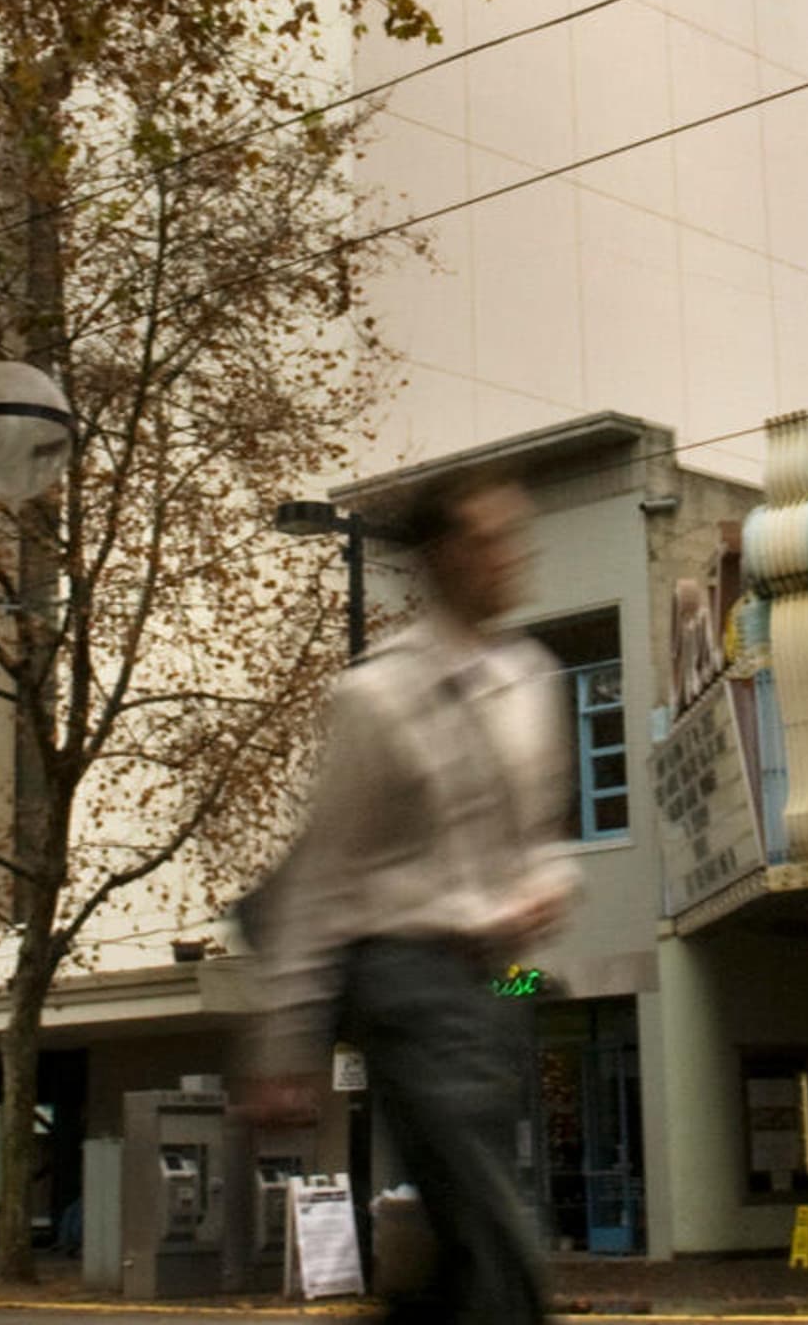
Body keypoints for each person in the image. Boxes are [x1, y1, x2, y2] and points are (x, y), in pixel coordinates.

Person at [239, 475, 572, 1325]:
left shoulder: (532, 681)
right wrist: (288, 1043)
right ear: (443, 557)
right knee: (495, 1222)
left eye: (518, 539)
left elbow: (543, 842)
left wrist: (546, 888)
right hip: (404, 977)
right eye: (492, 540)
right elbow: (323, 879)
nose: (513, 558)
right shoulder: (376, 695)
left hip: (502, 982)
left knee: (472, 1221)